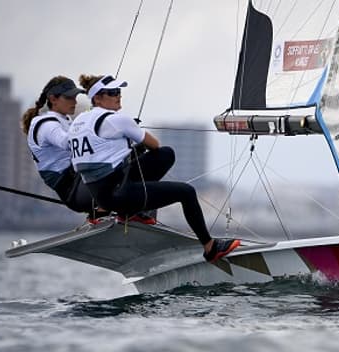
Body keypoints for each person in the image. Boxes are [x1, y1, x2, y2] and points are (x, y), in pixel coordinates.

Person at [70, 74, 240, 262]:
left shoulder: (78, 122)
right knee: (186, 192)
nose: (118, 95)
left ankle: (134, 213)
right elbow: (154, 144)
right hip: (119, 194)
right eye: (112, 92)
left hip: (100, 194)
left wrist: (126, 141)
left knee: (166, 154)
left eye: (119, 91)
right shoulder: (116, 120)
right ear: (97, 98)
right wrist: (131, 132)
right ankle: (210, 247)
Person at [21, 76, 106, 222]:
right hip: (71, 189)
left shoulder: (64, 119)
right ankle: (101, 212)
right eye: (69, 97)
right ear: (53, 99)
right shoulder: (47, 125)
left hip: (79, 180)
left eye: (75, 97)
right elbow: (68, 143)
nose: (74, 102)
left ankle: (109, 213)